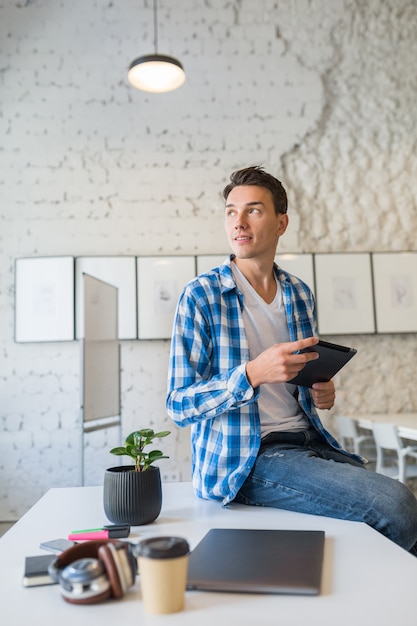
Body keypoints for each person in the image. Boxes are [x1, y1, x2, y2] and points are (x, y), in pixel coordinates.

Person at [166, 165, 417, 554]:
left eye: (253, 210)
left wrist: (320, 388)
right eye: (231, 211)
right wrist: (251, 374)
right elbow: (178, 404)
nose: (239, 222)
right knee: (396, 504)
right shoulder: (200, 296)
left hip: (308, 441)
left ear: (281, 223)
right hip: (249, 459)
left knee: (392, 510)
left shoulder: (298, 293)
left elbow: (296, 379)